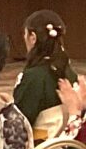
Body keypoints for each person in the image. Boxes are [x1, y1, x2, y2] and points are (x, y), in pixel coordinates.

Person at [15, 10, 76, 140]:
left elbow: (19, 124)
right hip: (70, 146)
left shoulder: (34, 77)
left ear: (33, 37)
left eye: (25, 34)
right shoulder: (70, 73)